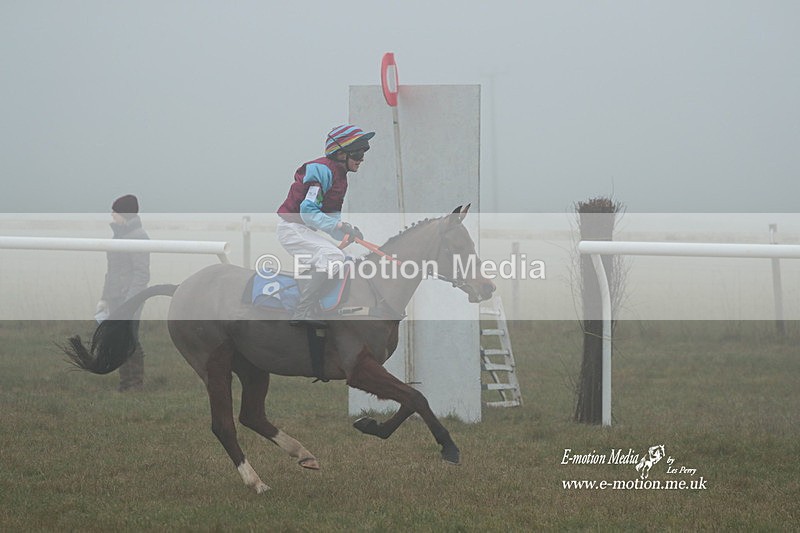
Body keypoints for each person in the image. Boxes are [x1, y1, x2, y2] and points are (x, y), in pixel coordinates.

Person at [276, 124, 375, 327]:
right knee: (333, 257)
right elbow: (308, 211)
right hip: (291, 228)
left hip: (303, 229)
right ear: (340, 154)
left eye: (363, 152)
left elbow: (329, 220)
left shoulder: (341, 178)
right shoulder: (321, 170)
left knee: (348, 260)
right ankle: (301, 312)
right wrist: (340, 227)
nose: (362, 158)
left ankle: (323, 307)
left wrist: (347, 234)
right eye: (357, 153)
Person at [96, 194, 150, 391]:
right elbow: (111, 272)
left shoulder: (139, 237)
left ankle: (134, 384)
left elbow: (142, 273)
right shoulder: (117, 236)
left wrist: (131, 301)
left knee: (130, 338)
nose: (112, 215)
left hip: (130, 297)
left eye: (115, 211)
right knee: (119, 338)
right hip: (115, 296)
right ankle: (124, 383)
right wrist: (104, 297)